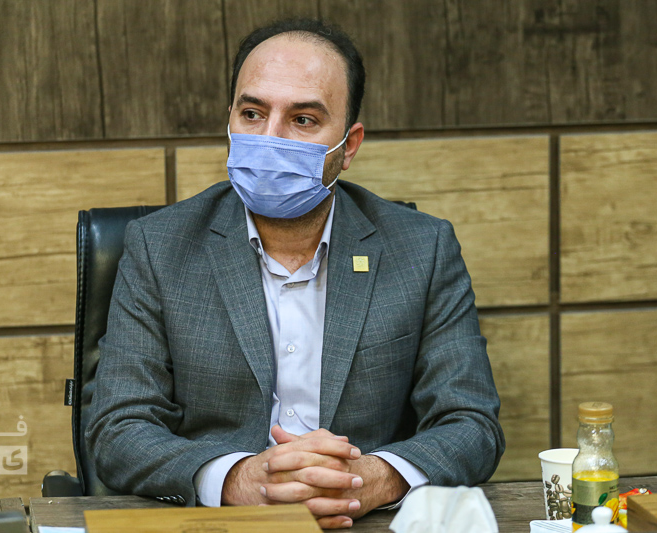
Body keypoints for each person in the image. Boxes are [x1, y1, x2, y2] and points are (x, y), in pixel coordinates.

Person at [86, 18, 504, 529]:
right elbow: (117, 429)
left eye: (303, 120)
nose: (270, 138)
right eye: (252, 113)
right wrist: (239, 480)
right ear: (230, 120)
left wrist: (368, 480)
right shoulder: (160, 247)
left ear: (348, 146)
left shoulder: (422, 248)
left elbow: (471, 423)